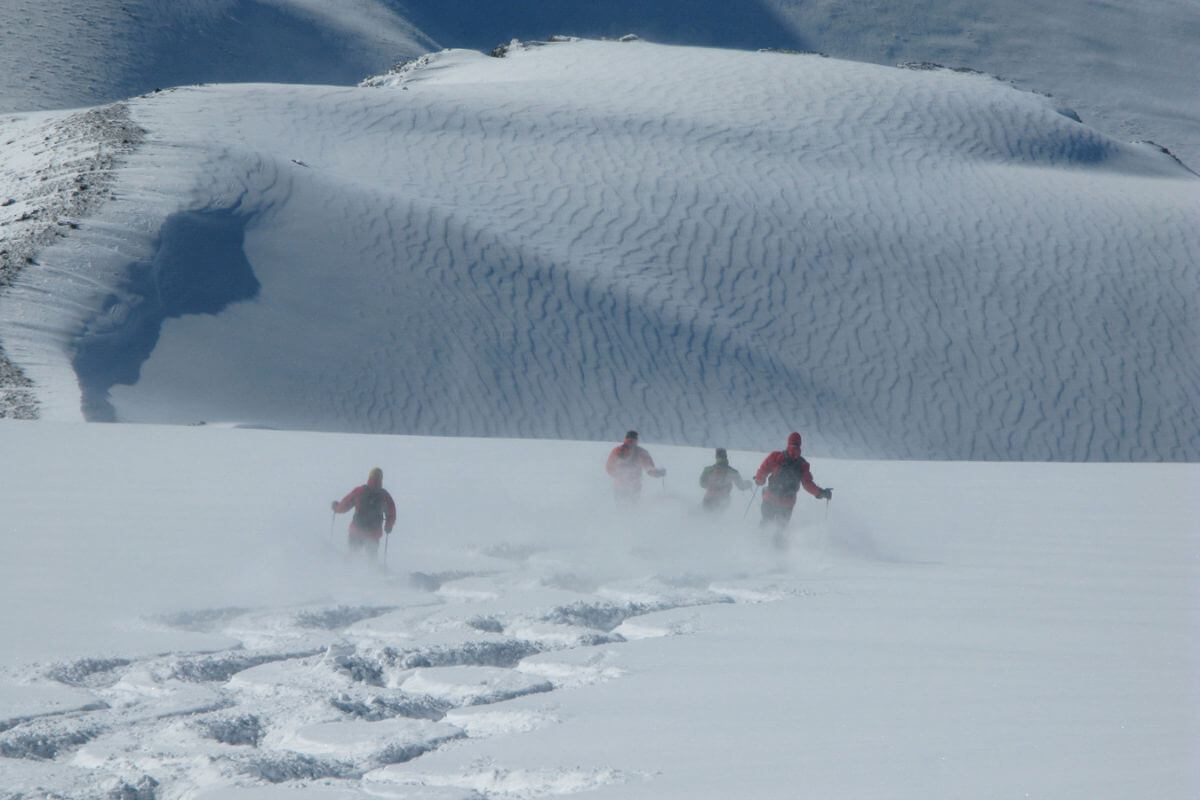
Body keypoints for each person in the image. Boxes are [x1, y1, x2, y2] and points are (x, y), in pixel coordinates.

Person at [754, 432, 832, 529]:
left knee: (765, 523)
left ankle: (758, 542)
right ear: (800, 444)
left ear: (788, 442)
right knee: (780, 529)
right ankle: (778, 542)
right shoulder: (803, 464)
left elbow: (763, 470)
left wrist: (759, 480)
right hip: (787, 503)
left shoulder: (776, 456)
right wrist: (821, 493)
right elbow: (808, 484)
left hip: (770, 498)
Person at [331, 467, 396, 563]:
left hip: (356, 531)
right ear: (381, 479)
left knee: (352, 556)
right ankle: (372, 575)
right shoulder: (385, 496)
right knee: (371, 561)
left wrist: (336, 508)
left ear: (370, 477)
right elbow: (391, 513)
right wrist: (388, 526)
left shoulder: (360, 491)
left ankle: (346, 572)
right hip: (373, 534)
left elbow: (345, 505)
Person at [606, 430, 665, 503]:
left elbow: (609, 468)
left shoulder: (616, 450)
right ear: (636, 439)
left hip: (619, 486)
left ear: (625, 438)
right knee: (632, 509)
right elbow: (649, 469)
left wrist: (619, 475)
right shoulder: (641, 452)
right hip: (634, 487)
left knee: (620, 509)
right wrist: (659, 473)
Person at [699, 448, 752, 512]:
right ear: (726, 456)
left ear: (716, 457)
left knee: (705, 518)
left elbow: (702, 484)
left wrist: (712, 485)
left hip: (708, 498)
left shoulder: (708, 469)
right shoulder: (732, 471)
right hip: (723, 500)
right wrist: (749, 484)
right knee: (719, 519)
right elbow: (741, 486)